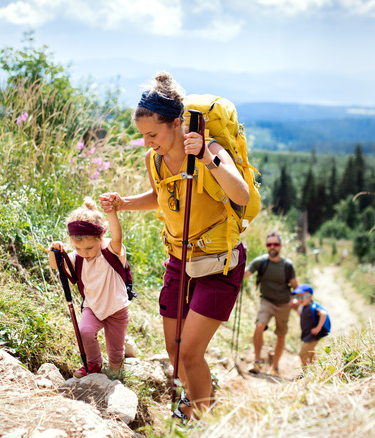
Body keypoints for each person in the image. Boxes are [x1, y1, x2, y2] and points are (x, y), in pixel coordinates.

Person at [99, 71, 249, 422]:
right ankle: (195, 406)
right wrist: (123, 203)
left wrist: (210, 160)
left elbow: (240, 193)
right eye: (143, 136)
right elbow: (161, 196)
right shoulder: (155, 159)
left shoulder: (209, 150)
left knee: (192, 352)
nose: (148, 142)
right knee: (175, 350)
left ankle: (201, 421)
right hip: (179, 260)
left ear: (177, 124)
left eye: (153, 134)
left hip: (218, 263)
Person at [48, 197, 129, 378]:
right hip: (92, 307)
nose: (85, 253)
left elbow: (117, 236)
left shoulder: (110, 250)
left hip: (116, 309)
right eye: (78, 248)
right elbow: (56, 265)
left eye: (90, 248)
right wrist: (54, 251)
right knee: (84, 331)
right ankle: (93, 364)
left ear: (100, 238)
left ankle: (116, 372)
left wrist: (111, 213)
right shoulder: (78, 257)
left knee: (115, 351)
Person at [243, 232, 299, 376]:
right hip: (267, 301)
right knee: (259, 326)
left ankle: (275, 366)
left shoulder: (287, 265)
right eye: (269, 244)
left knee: (281, 336)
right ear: (266, 246)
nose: (272, 247)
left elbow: (295, 287)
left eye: (275, 244)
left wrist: (298, 301)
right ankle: (257, 362)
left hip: (284, 304)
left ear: (280, 246)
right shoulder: (260, 262)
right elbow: (244, 274)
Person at [289, 283, 329, 366]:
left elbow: (323, 314)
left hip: (312, 336)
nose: (300, 300)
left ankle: (306, 372)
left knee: (302, 355)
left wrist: (318, 328)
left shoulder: (313, 307)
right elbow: (304, 317)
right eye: (297, 297)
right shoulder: (304, 307)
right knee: (311, 354)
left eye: (302, 297)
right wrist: (296, 310)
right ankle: (314, 369)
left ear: (310, 296)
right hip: (307, 335)